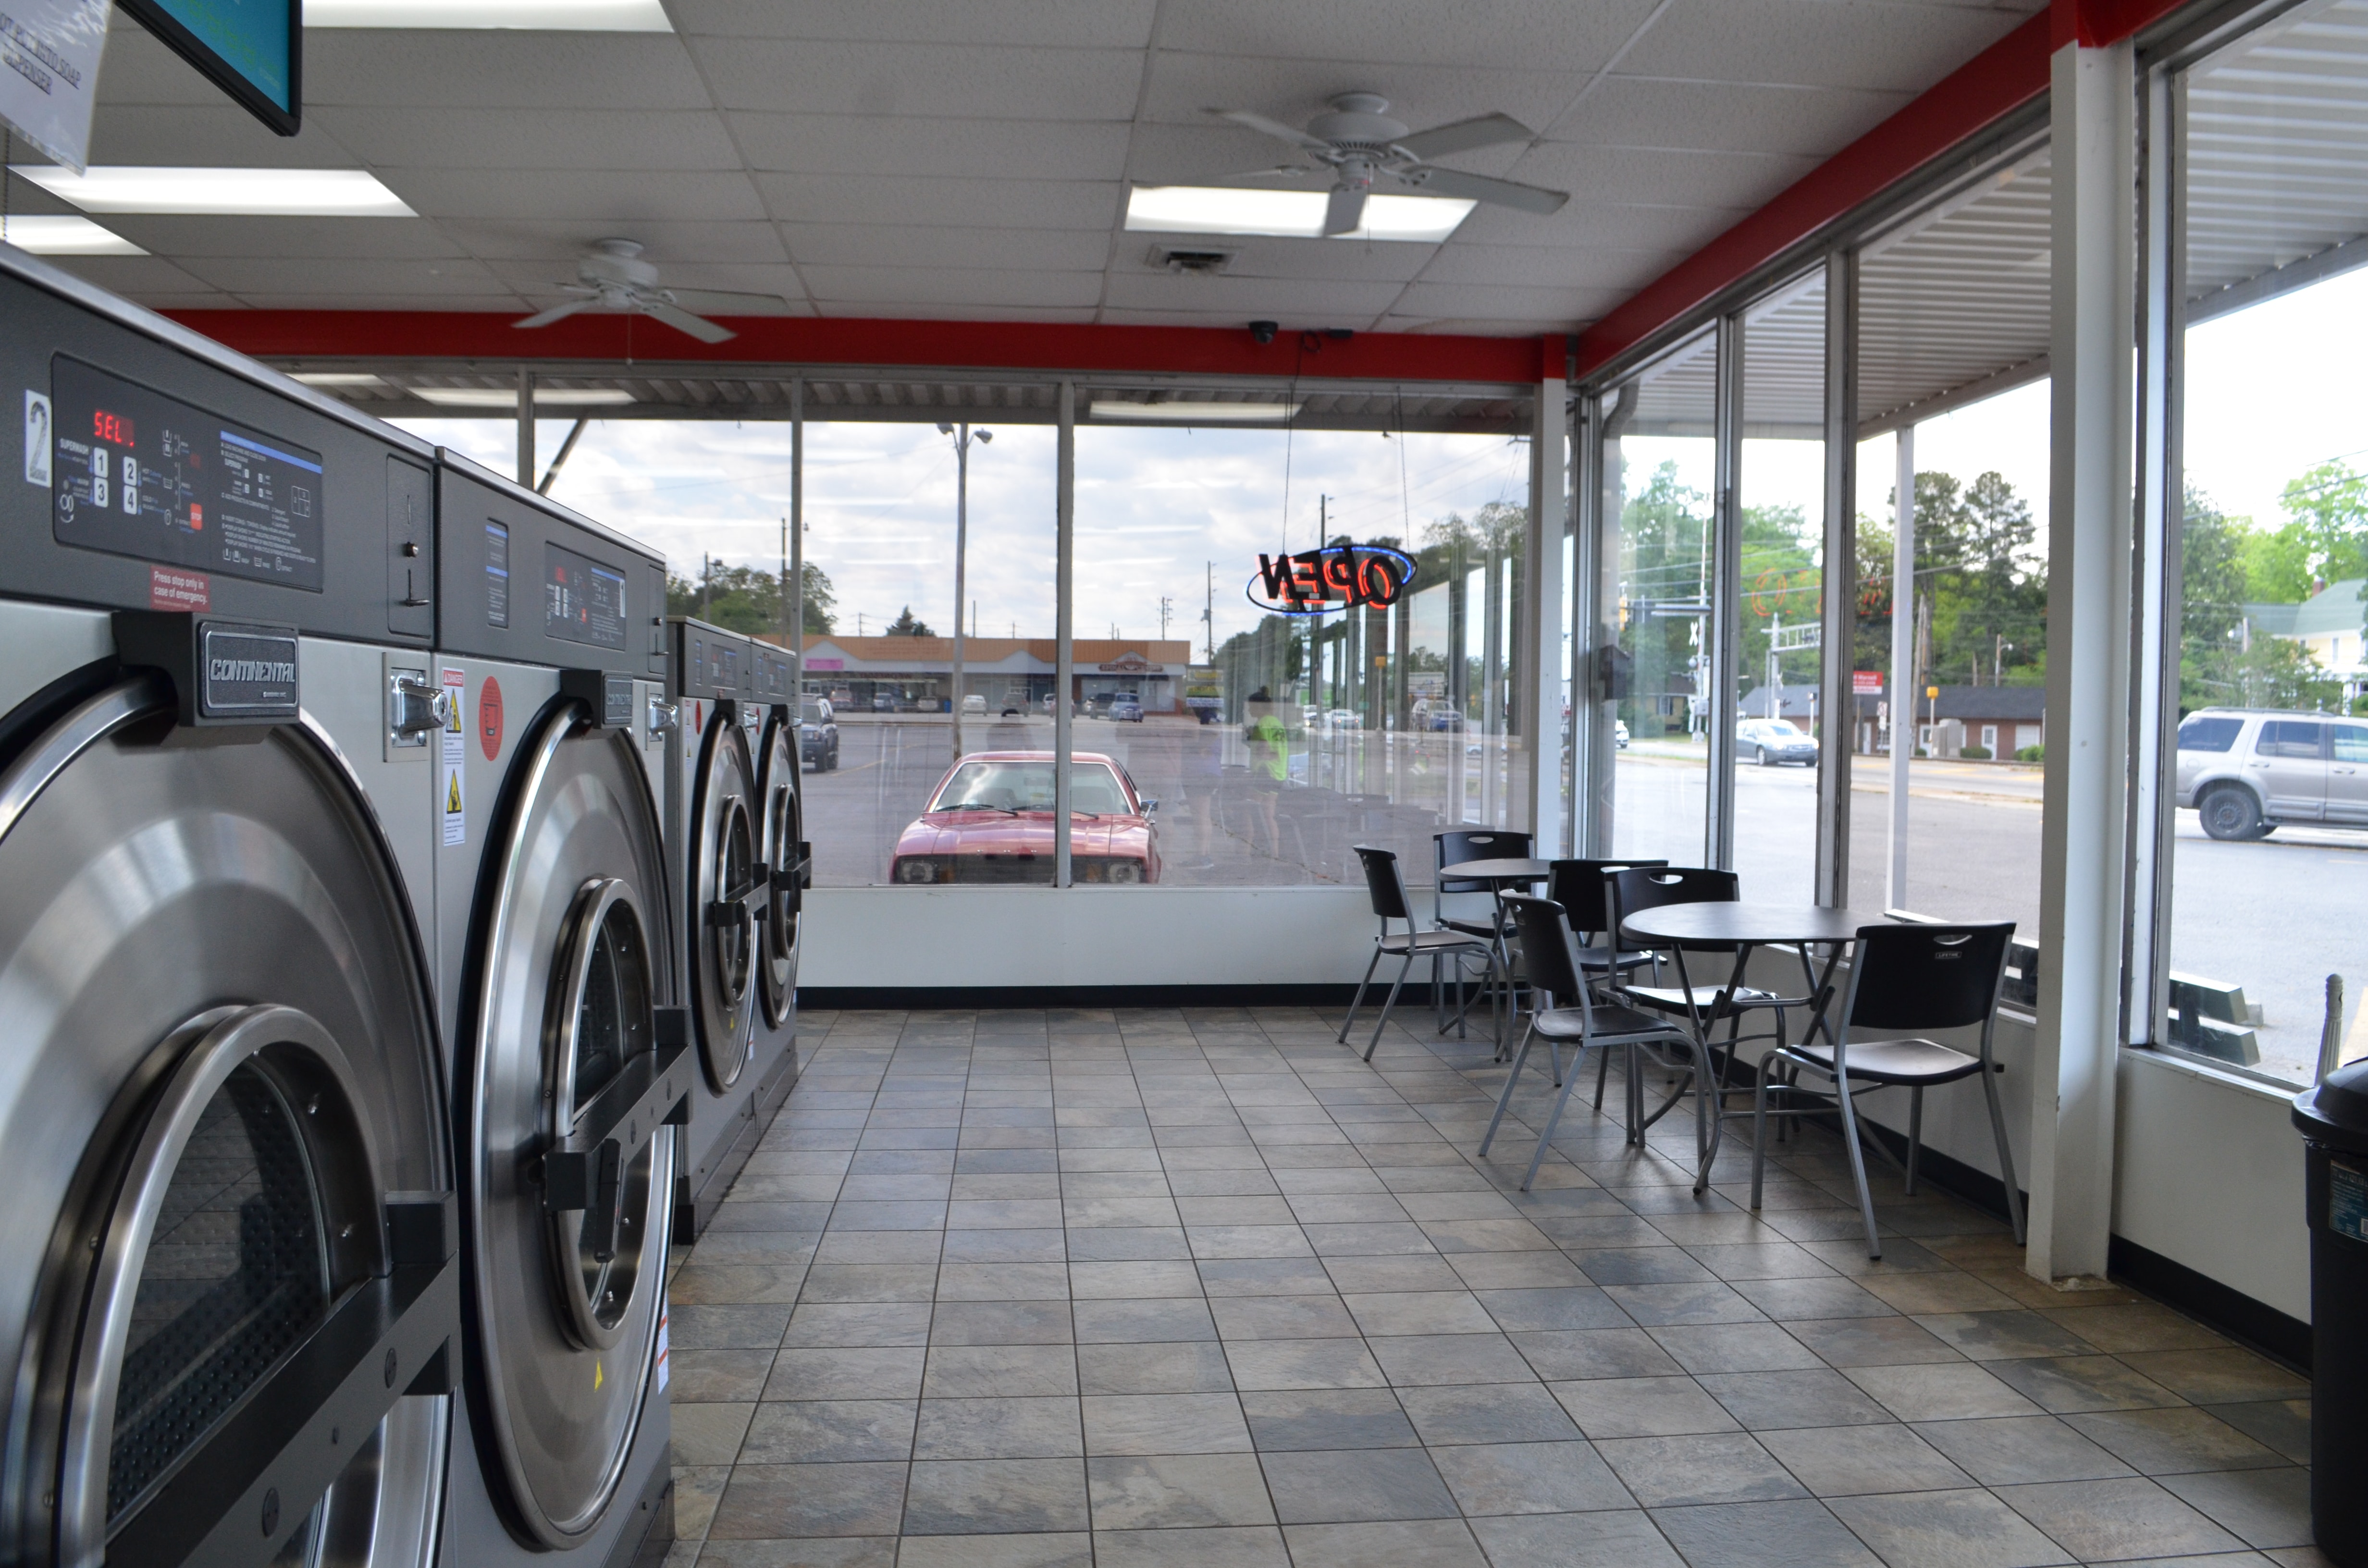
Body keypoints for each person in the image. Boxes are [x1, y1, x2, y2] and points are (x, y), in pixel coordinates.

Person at [1243, 687, 1287, 858]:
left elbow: (1263, 750)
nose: (1249, 710)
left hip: (1264, 772)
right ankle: (1275, 853)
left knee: (1247, 809)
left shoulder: (1261, 724)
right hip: (1278, 773)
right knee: (1269, 815)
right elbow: (1276, 748)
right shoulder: (1277, 724)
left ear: (1259, 707)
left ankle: (1245, 853)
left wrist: (1253, 742)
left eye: (1251, 707)